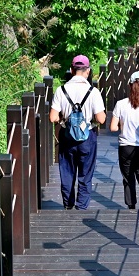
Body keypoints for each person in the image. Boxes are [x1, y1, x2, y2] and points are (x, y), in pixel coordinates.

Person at [49, 55, 106, 210]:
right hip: (87, 137)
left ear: (71, 70)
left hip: (67, 136)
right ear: (87, 71)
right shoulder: (93, 92)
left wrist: (64, 119)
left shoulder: (61, 90)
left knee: (67, 172)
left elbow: (53, 117)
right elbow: (101, 119)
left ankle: (68, 204)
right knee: (86, 174)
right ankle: (81, 207)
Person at [109, 71, 139, 210]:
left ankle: (131, 205)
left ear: (130, 85)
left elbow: (113, 127)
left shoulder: (120, 104)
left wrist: (124, 125)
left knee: (128, 176)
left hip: (125, 146)